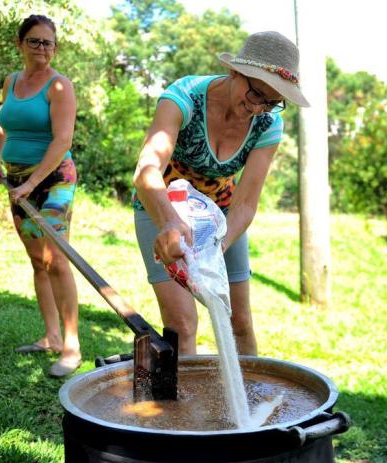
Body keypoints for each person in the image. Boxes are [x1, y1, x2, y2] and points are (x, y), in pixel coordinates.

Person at [132, 31, 309, 356]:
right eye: (255, 93)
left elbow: (245, 202)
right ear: (235, 72)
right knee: (183, 324)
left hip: (219, 214)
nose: (258, 107)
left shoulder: (269, 123)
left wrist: (216, 246)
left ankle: (249, 405)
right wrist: (170, 222)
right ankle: (182, 407)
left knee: (238, 321)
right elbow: (146, 171)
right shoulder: (183, 97)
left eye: (271, 102)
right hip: (162, 204)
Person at [0, 14, 81, 377]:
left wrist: (32, 184)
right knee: (37, 261)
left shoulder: (60, 86)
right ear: (20, 44)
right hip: (17, 179)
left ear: (55, 48)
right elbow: (3, 125)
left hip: (55, 179)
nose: (43, 48)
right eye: (35, 41)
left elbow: (62, 141)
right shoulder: (11, 82)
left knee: (57, 259)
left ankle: (72, 348)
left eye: (48, 43)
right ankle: (51, 337)